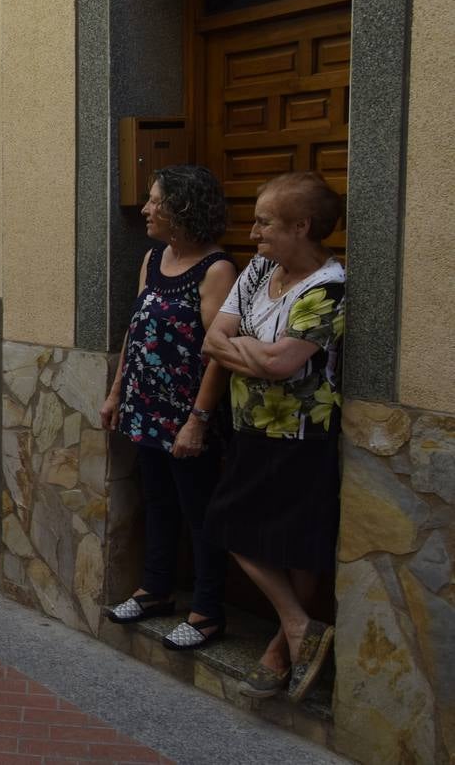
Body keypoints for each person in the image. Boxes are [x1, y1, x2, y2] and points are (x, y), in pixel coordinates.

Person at [202, 171, 345, 704]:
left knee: (296, 547)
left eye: (264, 222)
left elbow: (284, 363)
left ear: (301, 226)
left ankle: (280, 650)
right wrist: (256, 357)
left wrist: (246, 352)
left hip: (303, 433)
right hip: (250, 426)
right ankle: (300, 627)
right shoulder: (261, 268)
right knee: (229, 524)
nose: (254, 232)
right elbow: (214, 336)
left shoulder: (329, 287)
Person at [99, 166, 236, 651]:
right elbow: (136, 331)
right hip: (144, 405)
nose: (146, 209)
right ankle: (155, 590)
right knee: (156, 501)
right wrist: (118, 392)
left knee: (198, 512)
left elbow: (219, 352)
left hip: (186, 414)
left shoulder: (217, 269)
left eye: (155, 201)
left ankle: (207, 612)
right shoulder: (154, 258)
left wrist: (197, 421)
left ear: (182, 207)